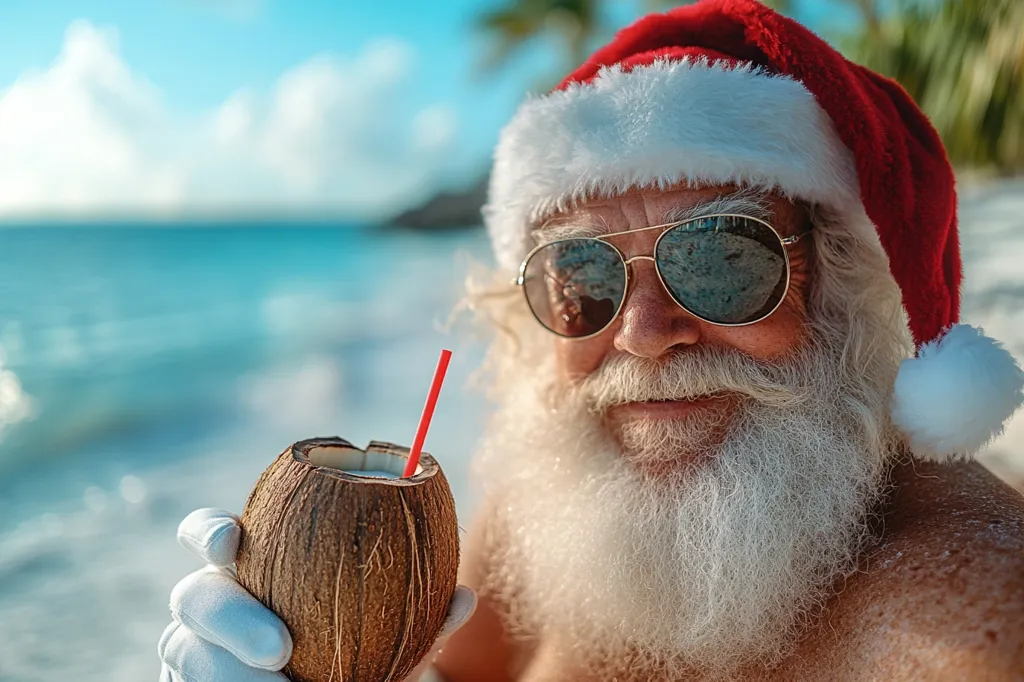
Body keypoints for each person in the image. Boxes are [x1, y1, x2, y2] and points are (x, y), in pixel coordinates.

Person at [157, 1, 1024, 680]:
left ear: (845, 285)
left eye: (722, 256)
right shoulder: (552, 519)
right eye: (582, 280)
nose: (643, 337)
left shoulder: (966, 624)